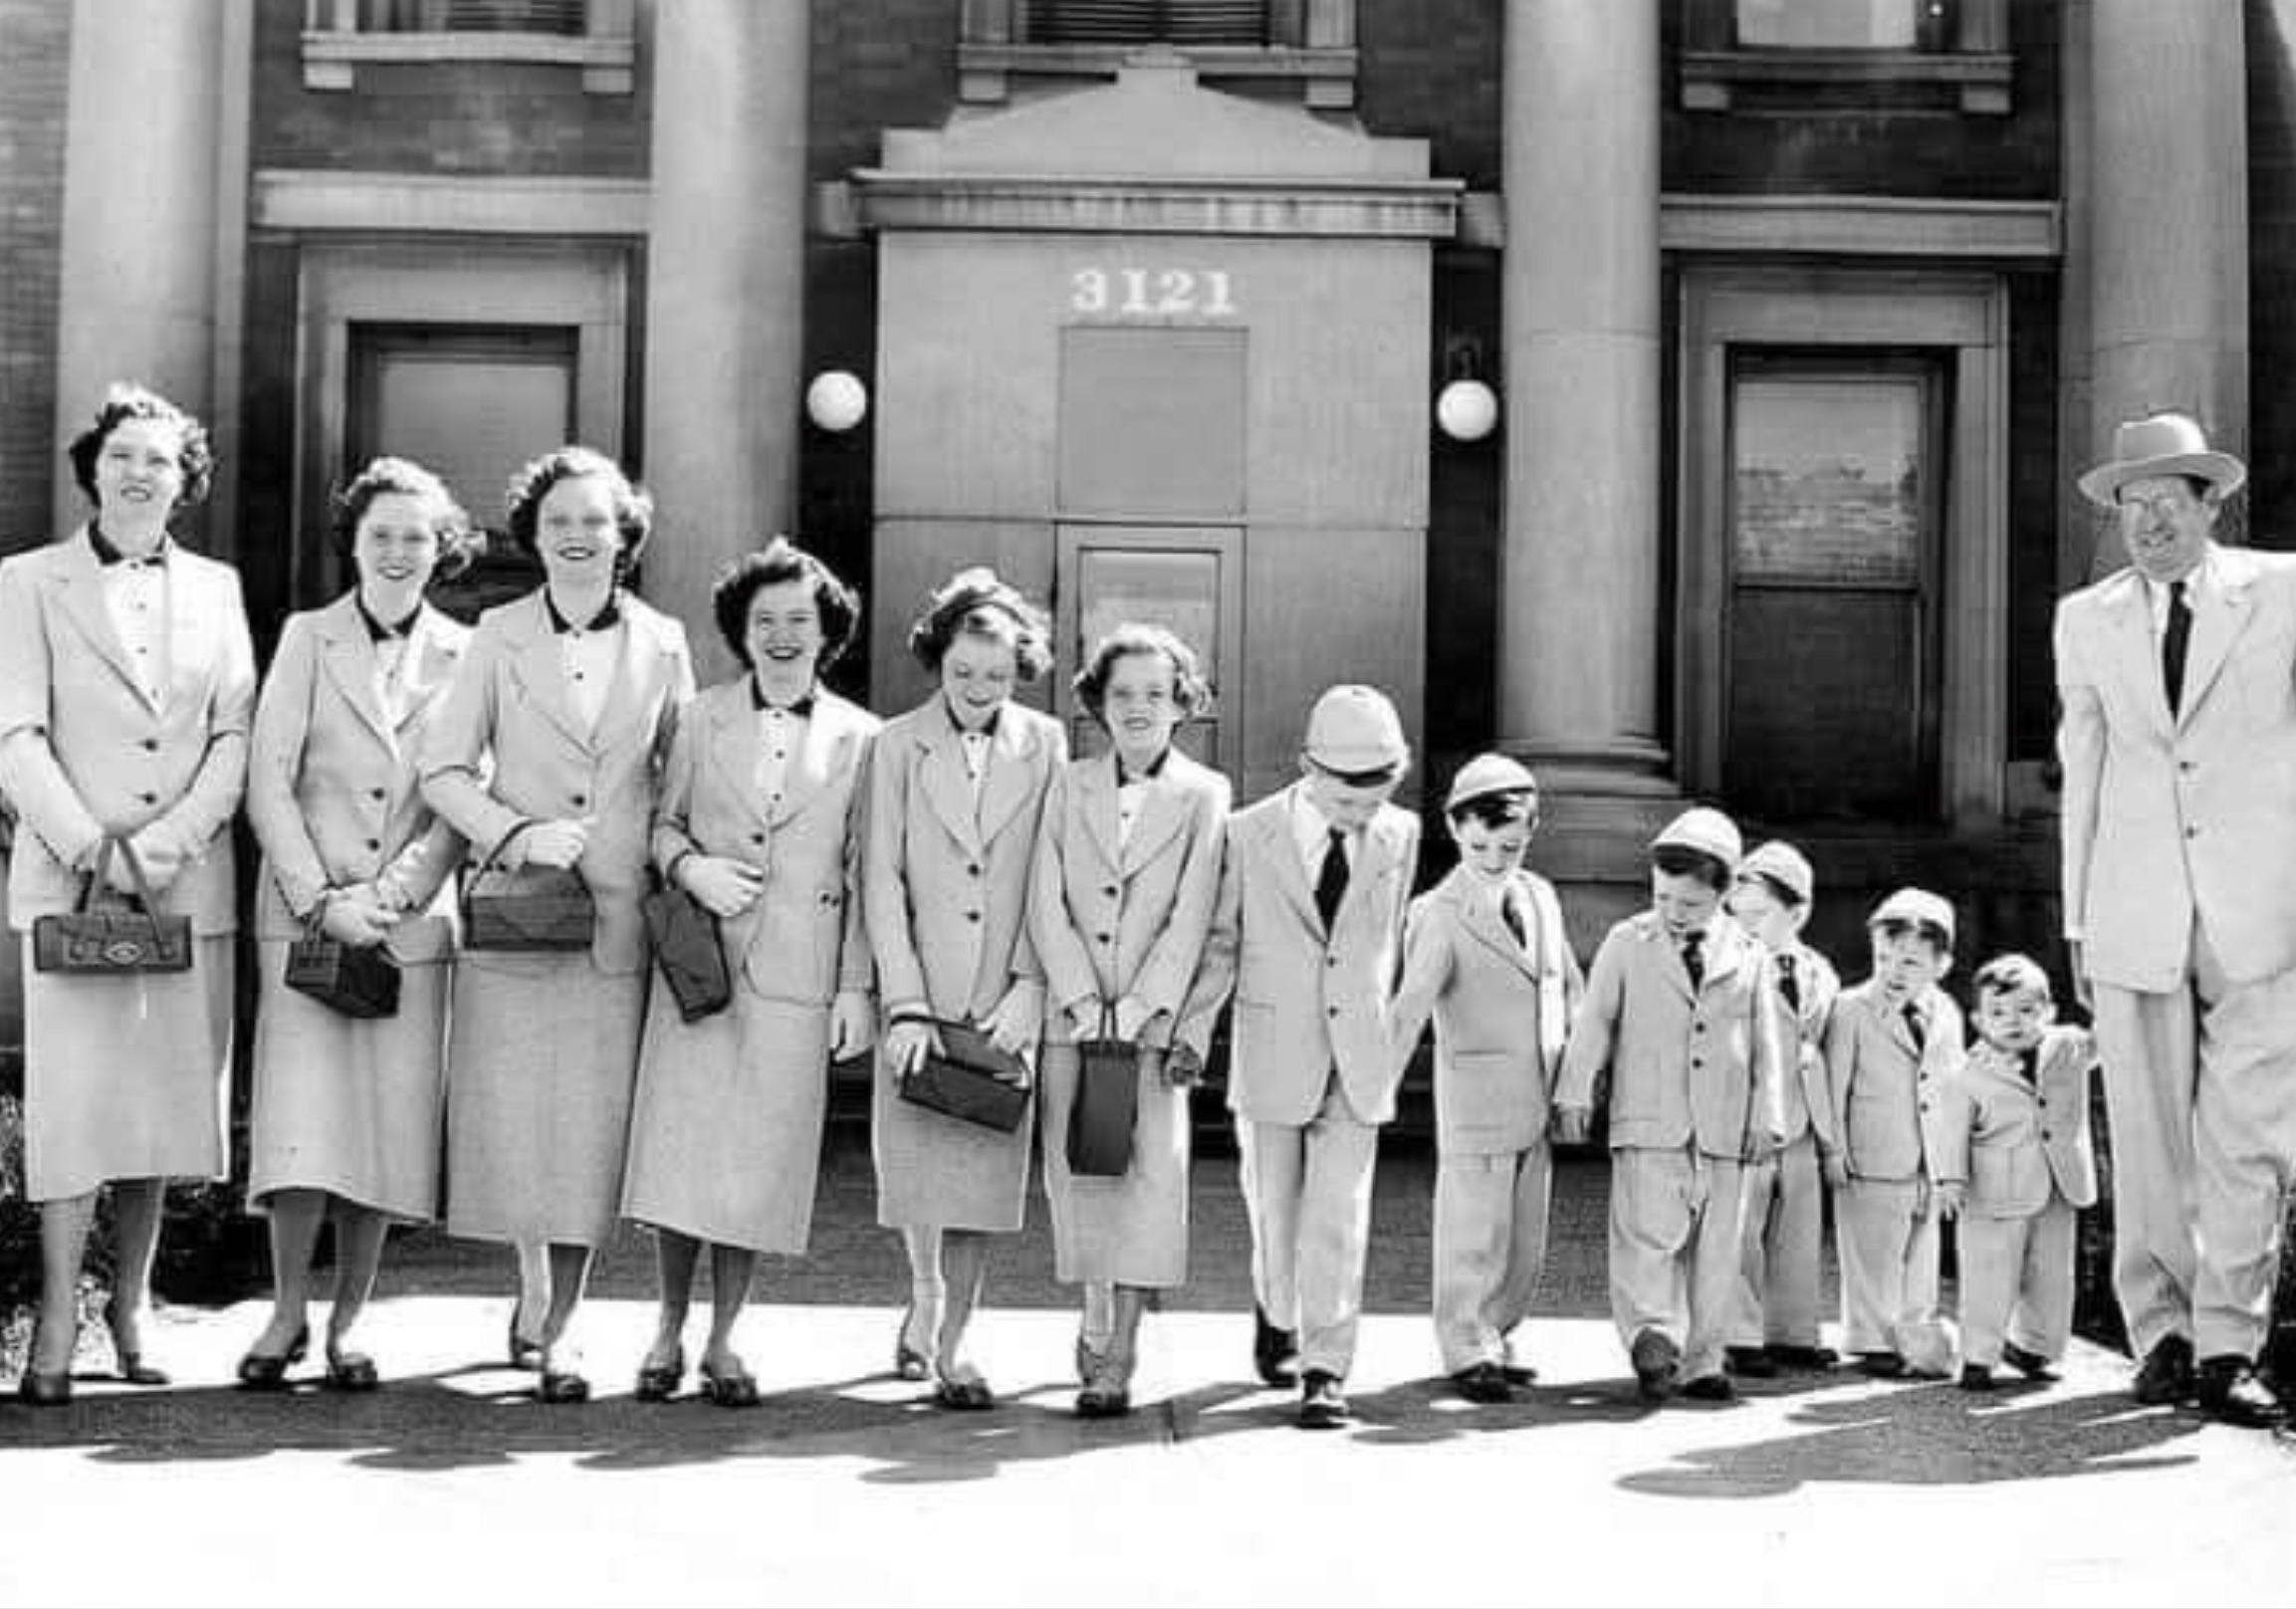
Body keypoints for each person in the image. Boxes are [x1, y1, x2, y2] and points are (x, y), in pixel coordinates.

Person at [419, 445, 694, 1403]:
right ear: (534, 538)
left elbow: (680, 779)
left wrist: (673, 862)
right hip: (520, 915)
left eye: (596, 520)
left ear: (627, 536)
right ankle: (532, 1286)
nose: (579, 536)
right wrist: (516, 832)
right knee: (517, 1120)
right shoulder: (494, 635)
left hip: (615, 922)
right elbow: (444, 772)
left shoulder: (663, 640)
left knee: (585, 1127)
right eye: (559, 521)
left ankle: (565, 1328)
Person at [0, 385, 257, 1407]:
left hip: (183, 881)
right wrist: (87, 846)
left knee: (156, 1104)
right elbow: (15, 731)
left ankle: (133, 1305)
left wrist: (166, 843)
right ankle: (59, 1313)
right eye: (122, 457)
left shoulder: (220, 586)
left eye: (159, 459)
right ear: (92, 471)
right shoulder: (27, 580)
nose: (139, 473)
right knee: (73, 1106)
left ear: (185, 481)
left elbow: (234, 732)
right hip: (74, 884)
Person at [2056, 409, 2296, 1425]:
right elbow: (2085, 768)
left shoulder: (2281, 592)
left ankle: (2227, 1346)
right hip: (2130, 903)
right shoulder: (2086, 616)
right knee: (2147, 1135)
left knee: (2244, 1135)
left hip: (2260, 904)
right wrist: (2074, 917)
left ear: (2210, 502)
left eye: (2166, 502)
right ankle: (2158, 1337)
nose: (2146, 523)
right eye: (2130, 507)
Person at [620, 539, 878, 1408]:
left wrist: (854, 988)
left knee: (757, 1167)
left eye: (798, 621)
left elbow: (863, 873)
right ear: (740, 630)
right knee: (683, 1157)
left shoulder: (862, 739)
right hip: (702, 972)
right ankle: (666, 1328)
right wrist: (691, 868)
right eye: (764, 621)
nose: (780, 636)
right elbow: (661, 828)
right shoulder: (699, 718)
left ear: (826, 632)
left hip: (798, 982)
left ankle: (726, 1338)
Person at [239, 456, 478, 1391]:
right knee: (303, 1127)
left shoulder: (469, 654)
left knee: (383, 1129)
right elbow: (268, 778)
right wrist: (321, 898)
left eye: (416, 536)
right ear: (355, 540)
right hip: (307, 923)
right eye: (381, 534)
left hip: (406, 931)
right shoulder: (308, 637)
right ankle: (287, 1310)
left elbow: (461, 796)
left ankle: (350, 1323)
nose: (397, 551)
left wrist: (392, 900)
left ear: (442, 548)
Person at [1178, 684, 1421, 1430]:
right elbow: (1221, 941)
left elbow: (1386, 941)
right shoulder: (1248, 834)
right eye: (1349, 803)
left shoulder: (1401, 834)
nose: (1363, 817)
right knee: (1274, 1214)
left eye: (1376, 800)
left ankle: (1325, 1367)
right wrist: (1193, 1028)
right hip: (1272, 1048)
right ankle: (1275, 1307)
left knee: (1338, 1219)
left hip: (1358, 1059)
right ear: (1309, 769)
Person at [864, 568, 1064, 1410]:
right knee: (916, 1168)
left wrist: (1029, 983)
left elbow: (1056, 870)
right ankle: (924, 1290)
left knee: (986, 1173)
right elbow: (880, 875)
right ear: (937, 661)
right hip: (923, 990)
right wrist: (902, 1001)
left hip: (1004, 998)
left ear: (1021, 668)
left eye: (997, 674)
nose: (979, 690)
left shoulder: (1048, 744)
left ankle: (957, 1342)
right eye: (962, 673)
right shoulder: (895, 744)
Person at [1030, 623, 1229, 1418]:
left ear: (1182, 703)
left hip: (1151, 1024)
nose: (1139, 707)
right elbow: (1044, 897)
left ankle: (1123, 1350)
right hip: (1071, 1022)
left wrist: (1144, 1005)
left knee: (1150, 1181)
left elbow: (1195, 909)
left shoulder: (1205, 794)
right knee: (1080, 1172)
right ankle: (1094, 1306)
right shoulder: (1064, 784)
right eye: (1122, 694)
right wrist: (1082, 999)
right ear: (1097, 706)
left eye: (1156, 693)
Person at [1555, 808, 1787, 1405]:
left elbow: (1766, 1041)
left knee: (1718, 1252)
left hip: (1725, 1124)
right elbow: (1595, 1020)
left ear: (1724, 893)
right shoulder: (1627, 942)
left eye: (1689, 903)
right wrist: (1576, 1089)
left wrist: (1770, 1112)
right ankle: (1651, 1333)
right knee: (1645, 1235)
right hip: (1649, 1117)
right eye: (1663, 897)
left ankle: (1705, 1358)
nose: (1673, 911)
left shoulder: (1750, 953)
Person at [1386, 753, 1581, 1405]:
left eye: (1511, 846)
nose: (1496, 858)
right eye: (1480, 846)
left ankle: (1496, 1331)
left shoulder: (1542, 897)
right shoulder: (1438, 912)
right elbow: (1410, 1005)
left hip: (1542, 1091)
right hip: (1476, 1096)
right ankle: (1465, 1345)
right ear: (1452, 828)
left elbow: (1566, 983)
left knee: (1526, 1233)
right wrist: (1377, 1082)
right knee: (1473, 1227)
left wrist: (1578, 1070)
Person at [1933, 954, 2099, 1392]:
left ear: (2050, 1012)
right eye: (1999, 1013)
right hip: (1993, 1193)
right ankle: (1978, 1357)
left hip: (2059, 1185)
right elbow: (1951, 1132)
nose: (2014, 1022)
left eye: (2028, 1011)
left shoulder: (2068, 1048)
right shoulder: (1968, 1075)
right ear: (1978, 1019)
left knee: (2052, 1275)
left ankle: (2036, 1347)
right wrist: (1950, 1179)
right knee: (1989, 1276)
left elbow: (2114, 1038)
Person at [1822, 887, 1962, 1381]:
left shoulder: (1946, 1013)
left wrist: (1950, 1166)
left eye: (1909, 962)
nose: (1893, 972)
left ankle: (1914, 1334)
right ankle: (1870, 1338)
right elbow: (1834, 1084)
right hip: (1871, 1150)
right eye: (1884, 958)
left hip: (1927, 1157)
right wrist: (1833, 1148)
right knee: (1872, 1253)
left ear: (1940, 964)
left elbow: (1950, 1086)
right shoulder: (1851, 1009)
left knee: (1920, 1254)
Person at [1722, 840, 1842, 1378]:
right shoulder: (1731, 969)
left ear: (1797, 913)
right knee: (1741, 1230)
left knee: (1798, 1229)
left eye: (1758, 914)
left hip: (1802, 1122)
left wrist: (1829, 1132)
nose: (1744, 924)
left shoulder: (1820, 972)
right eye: (1736, 913)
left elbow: (1824, 1045)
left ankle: (1792, 1331)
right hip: (1748, 1120)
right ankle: (1739, 1333)